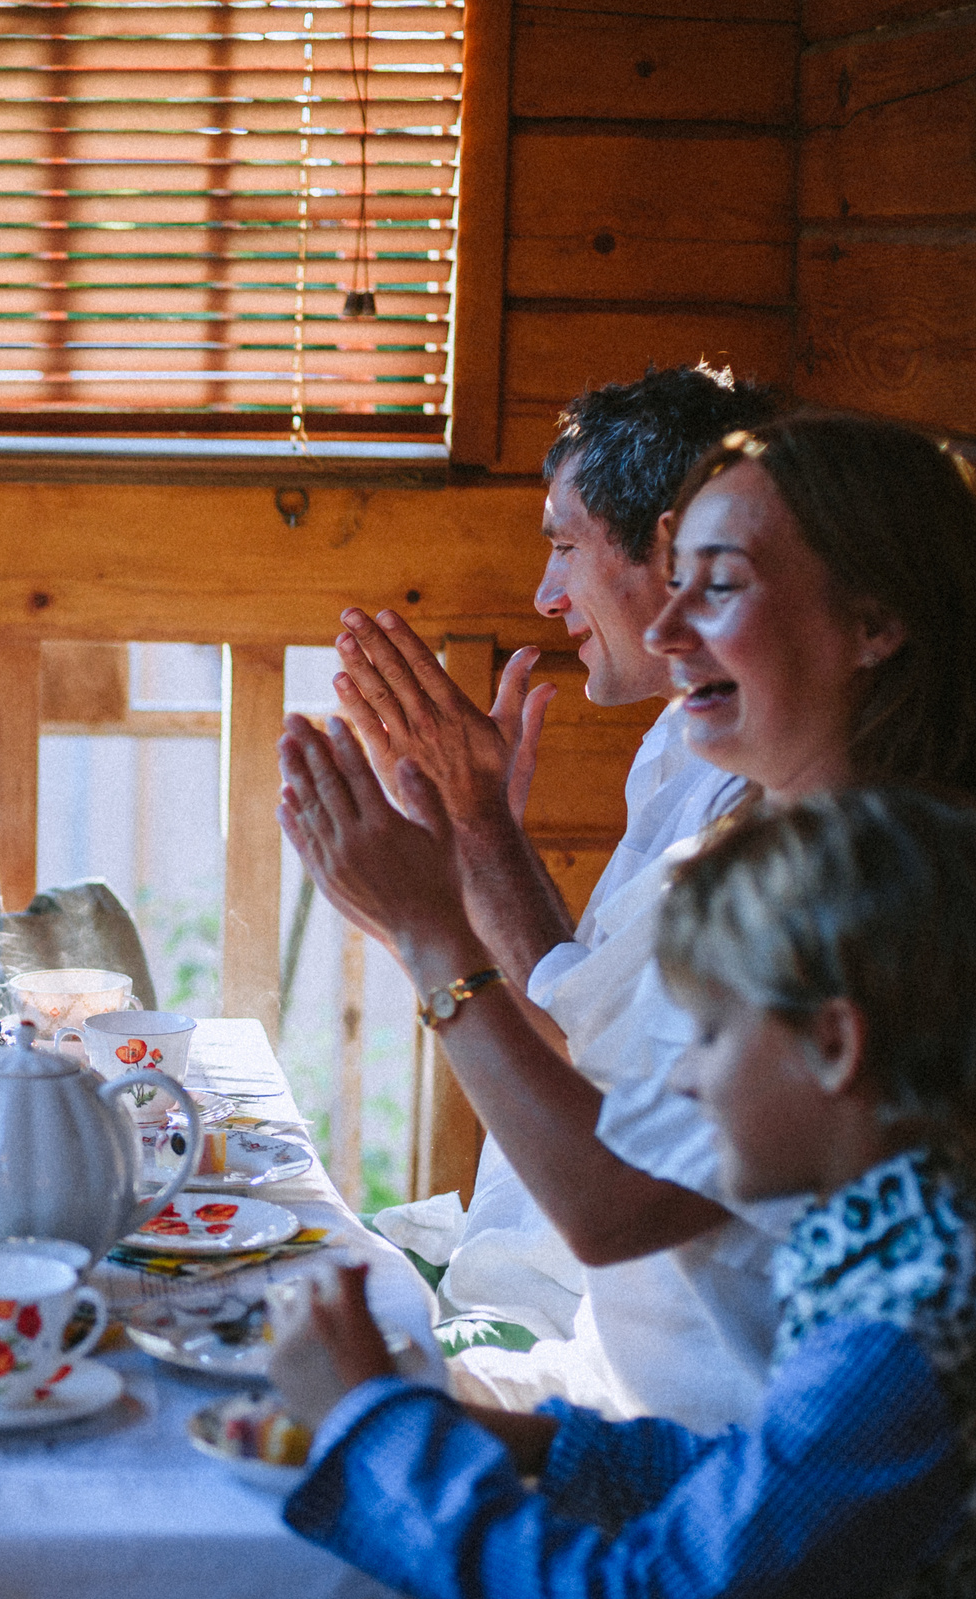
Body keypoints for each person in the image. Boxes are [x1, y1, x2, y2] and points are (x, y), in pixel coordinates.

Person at [269, 787, 976, 1599]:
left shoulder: (909, 1331)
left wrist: (377, 1428)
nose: (683, 1075)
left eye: (711, 1034)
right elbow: (752, 1489)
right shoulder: (933, 1226)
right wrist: (495, 1432)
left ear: (834, 1044)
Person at [278, 414, 976, 1432]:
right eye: (674, 582)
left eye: (717, 585)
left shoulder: (892, 897)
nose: (669, 629)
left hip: (703, 1461)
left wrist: (430, 930)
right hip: (603, 1406)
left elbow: (612, 1204)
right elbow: (591, 1048)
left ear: (872, 622)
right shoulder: (754, 836)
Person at [329, 367, 778, 1379]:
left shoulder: (792, 851)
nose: (544, 594)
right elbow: (585, 1010)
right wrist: (472, 837)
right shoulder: (680, 740)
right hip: (547, 1283)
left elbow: (603, 1150)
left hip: (650, 1379)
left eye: (565, 545)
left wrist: (435, 910)